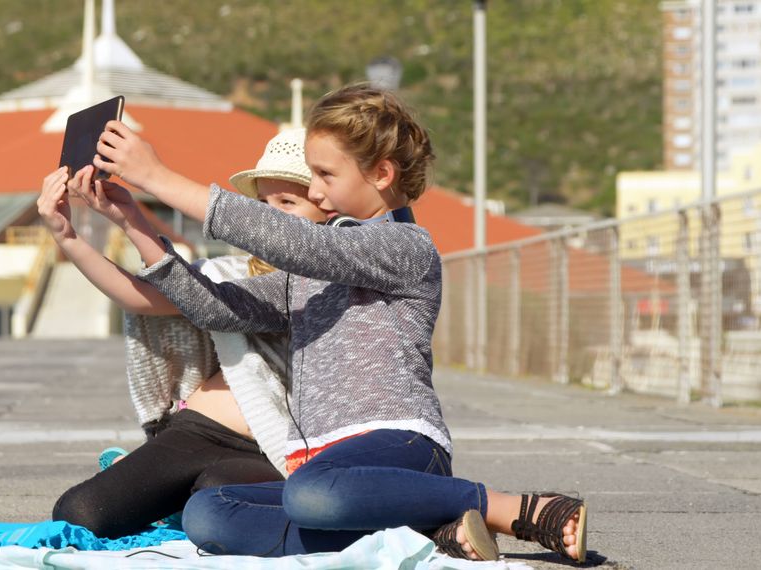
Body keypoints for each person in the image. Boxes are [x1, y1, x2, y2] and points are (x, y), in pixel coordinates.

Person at [74, 84, 588, 563]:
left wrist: (159, 178)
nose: (315, 192)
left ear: (382, 175)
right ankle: (430, 529)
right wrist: (134, 221)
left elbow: (303, 243)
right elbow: (214, 307)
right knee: (210, 512)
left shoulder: (406, 247)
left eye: (325, 175)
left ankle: (506, 505)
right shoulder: (306, 276)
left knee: (312, 496)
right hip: (323, 467)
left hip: (400, 446)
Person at [38, 128, 329, 539]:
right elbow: (143, 297)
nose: (270, 214)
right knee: (79, 513)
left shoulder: (336, 281)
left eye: (288, 202)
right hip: (197, 430)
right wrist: (67, 234)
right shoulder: (234, 271)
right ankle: (169, 495)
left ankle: (176, 501)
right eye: (263, 202)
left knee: (214, 496)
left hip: (273, 448)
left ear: (327, 208)